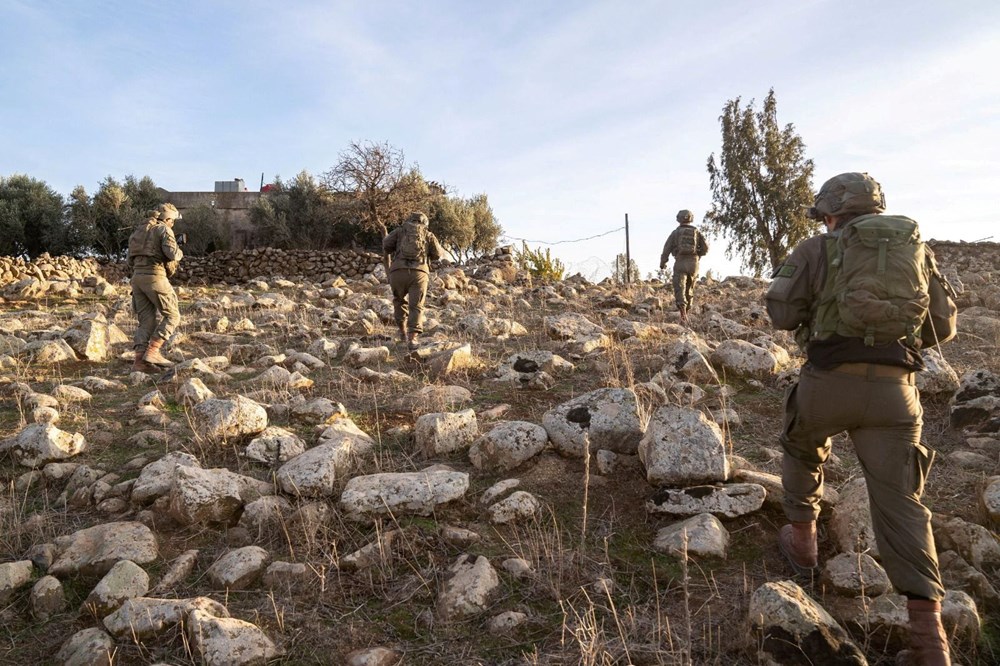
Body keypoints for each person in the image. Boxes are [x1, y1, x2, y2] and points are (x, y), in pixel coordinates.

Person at [765, 172, 951, 666]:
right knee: (903, 502)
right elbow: (944, 325)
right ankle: (930, 642)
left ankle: (803, 543)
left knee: (801, 444)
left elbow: (781, 313)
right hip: (896, 394)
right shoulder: (917, 249)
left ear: (831, 212)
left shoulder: (815, 248)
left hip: (827, 380)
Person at [127, 203, 184, 373]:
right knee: (173, 316)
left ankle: (139, 362)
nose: (172, 224)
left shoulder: (139, 231)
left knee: (146, 320)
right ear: (167, 218)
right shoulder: (164, 230)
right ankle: (153, 351)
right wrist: (180, 250)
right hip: (155, 276)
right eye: (172, 221)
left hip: (137, 279)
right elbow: (172, 254)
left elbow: (129, 260)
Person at [382, 211, 444, 350]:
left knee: (399, 301)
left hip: (398, 272)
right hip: (419, 273)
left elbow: (386, 245)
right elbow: (438, 255)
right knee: (416, 305)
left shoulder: (399, 231)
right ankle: (412, 339)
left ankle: (402, 333)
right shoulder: (428, 234)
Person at [659, 209, 708, 323]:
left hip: (680, 261)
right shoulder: (697, 232)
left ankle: (683, 314)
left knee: (679, 288)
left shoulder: (675, 233)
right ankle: (687, 312)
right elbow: (706, 248)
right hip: (693, 263)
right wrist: (697, 255)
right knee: (689, 288)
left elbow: (666, 249)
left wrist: (663, 263)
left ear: (678, 219)